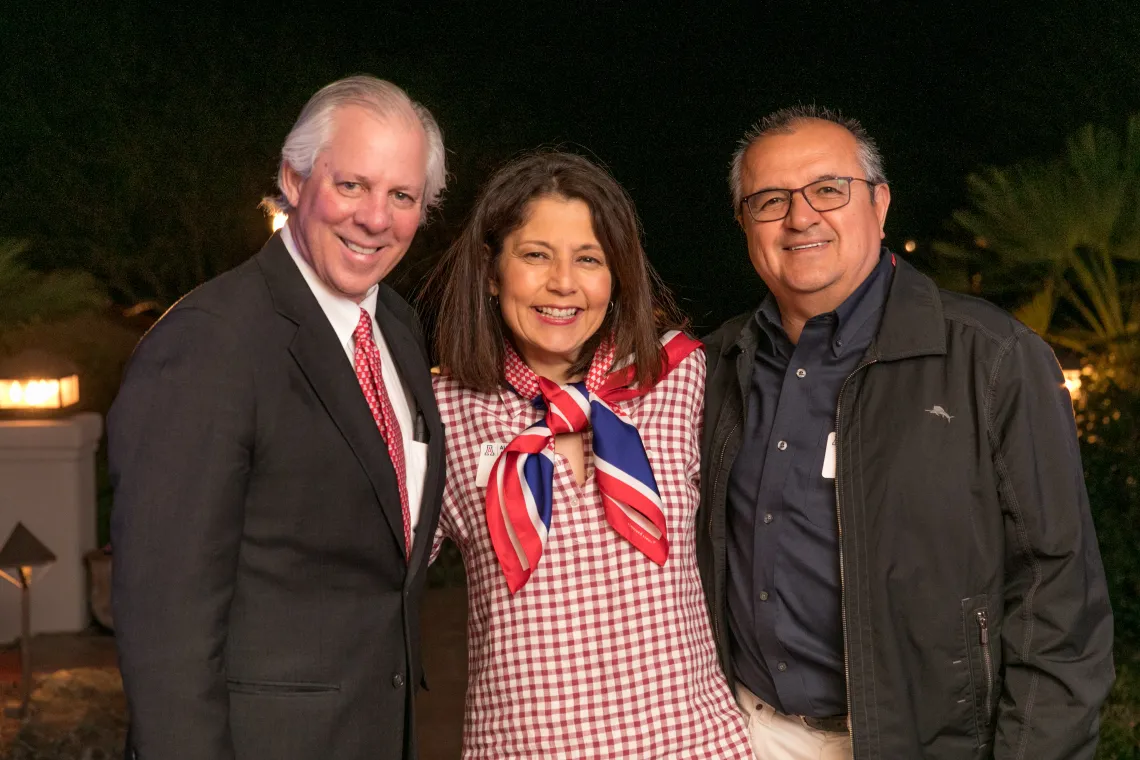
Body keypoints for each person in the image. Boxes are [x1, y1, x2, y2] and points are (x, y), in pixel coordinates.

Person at [696, 104, 1115, 759]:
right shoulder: (716, 366)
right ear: (744, 223)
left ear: (880, 203)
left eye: (828, 190)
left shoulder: (992, 359)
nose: (800, 216)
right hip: (746, 735)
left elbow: (1059, 601)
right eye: (770, 200)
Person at [108, 75, 448, 760]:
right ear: (294, 179)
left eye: (402, 196)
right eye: (351, 185)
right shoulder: (210, 344)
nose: (376, 219)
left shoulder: (400, 329)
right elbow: (165, 634)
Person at [427, 150, 752, 758]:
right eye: (535, 255)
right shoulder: (444, 411)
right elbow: (368, 578)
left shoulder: (682, 381)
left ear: (617, 277)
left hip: (688, 744)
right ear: (493, 273)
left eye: (589, 259)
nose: (563, 284)